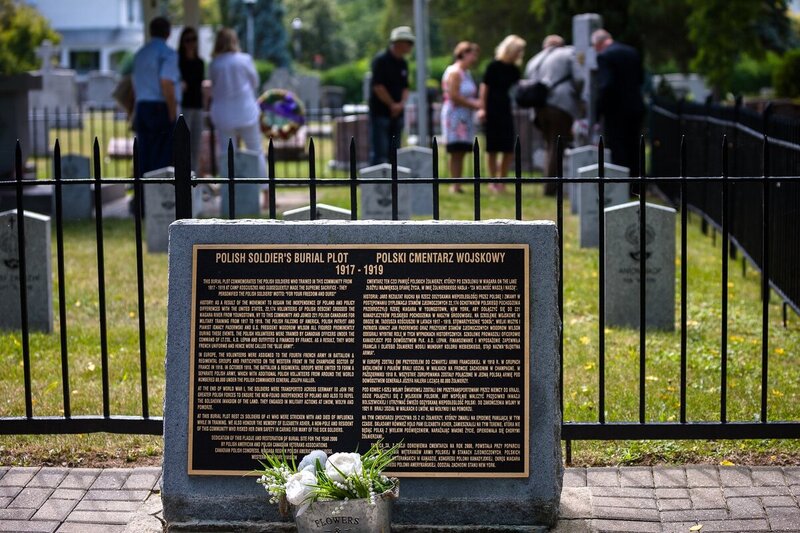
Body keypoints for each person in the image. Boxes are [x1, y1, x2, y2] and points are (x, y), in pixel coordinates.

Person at [208, 28, 267, 196]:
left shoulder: (215, 63)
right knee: (255, 151)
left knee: (227, 154)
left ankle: (230, 192)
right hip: (245, 111)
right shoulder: (244, 59)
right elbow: (255, 82)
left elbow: (213, 86)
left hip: (223, 113)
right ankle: (266, 193)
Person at [524, 35, 582, 194]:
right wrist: (579, 98)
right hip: (560, 105)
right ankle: (550, 187)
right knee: (557, 146)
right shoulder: (568, 53)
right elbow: (579, 78)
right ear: (561, 45)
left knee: (549, 144)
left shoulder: (534, 60)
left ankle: (549, 183)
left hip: (538, 108)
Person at [592, 28, 644, 175]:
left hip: (616, 111)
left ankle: (623, 183)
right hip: (635, 107)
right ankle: (636, 182)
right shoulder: (632, 52)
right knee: (634, 146)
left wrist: (598, 111)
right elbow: (640, 79)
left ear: (598, 43)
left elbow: (606, 85)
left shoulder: (605, 56)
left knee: (618, 148)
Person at [132, 16, 180, 174]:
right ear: (168, 33)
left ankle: (142, 196)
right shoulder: (167, 54)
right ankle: (157, 196)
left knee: (144, 155)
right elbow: (166, 82)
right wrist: (172, 113)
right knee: (161, 156)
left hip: (142, 105)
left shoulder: (140, 54)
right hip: (159, 106)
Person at [479, 35, 526, 192]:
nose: (520, 54)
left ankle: (502, 180)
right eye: (518, 50)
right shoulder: (493, 66)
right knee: (492, 148)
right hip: (492, 109)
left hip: (506, 110)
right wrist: (482, 108)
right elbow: (484, 88)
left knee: (507, 148)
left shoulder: (514, 70)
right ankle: (493, 181)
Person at [368, 26, 415, 165]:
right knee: (379, 152)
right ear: (399, 42)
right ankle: (378, 185)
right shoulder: (381, 60)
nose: (410, 46)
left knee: (394, 152)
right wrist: (392, 105)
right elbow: (378, 87)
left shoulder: (403, 63)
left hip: (397, 114)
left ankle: (393, 184)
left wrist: (400, 104)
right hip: (380, 113)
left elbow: (406, 87)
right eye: (408, 42)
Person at [441, 41, 480, 192]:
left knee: (462, 150)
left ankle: (458, 183)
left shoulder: (466, 73)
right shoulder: (455, 72)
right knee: (455, 150)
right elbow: (454, 95)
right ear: (463, 54)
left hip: (465, 116)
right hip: (455, 116)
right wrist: (475, 105)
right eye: (472, 54)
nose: (474, 58)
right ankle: (455, 184)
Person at [178, 27, 205, 176]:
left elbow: (199, 85)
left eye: (194, 39)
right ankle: (182, 175)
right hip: (184, 106)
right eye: (188, 40)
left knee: (196, 144)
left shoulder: (199, 62)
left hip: (197, 106)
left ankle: (193, 176)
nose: (191, 43)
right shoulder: (178, 61)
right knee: (183, 144)